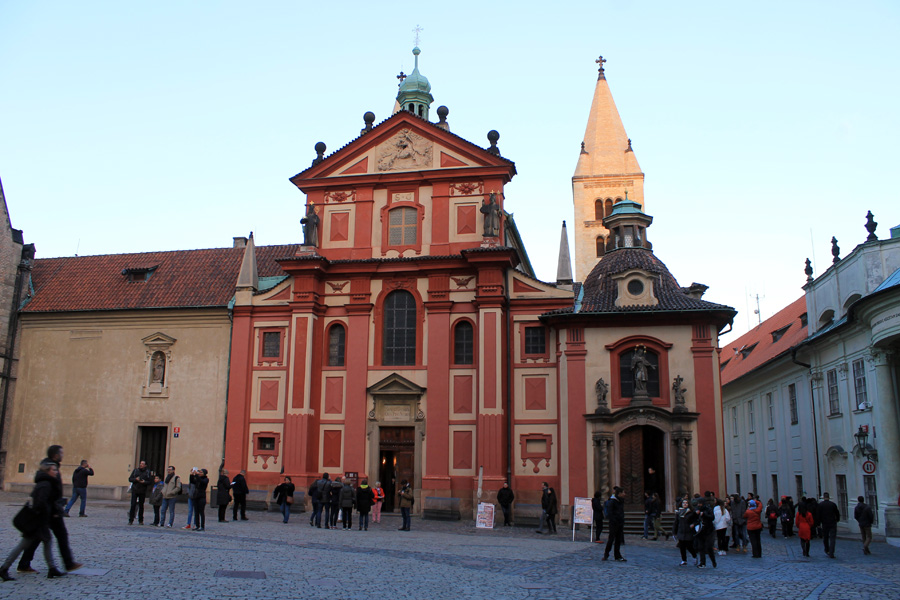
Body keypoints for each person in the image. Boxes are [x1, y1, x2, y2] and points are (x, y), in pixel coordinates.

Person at [17, 445, 80, 574]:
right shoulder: (51, 468)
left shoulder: (49, 465)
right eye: (61, 453)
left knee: (37, 537)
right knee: (59, 536)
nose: (63, 455)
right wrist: (56, 508)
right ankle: (67, 563)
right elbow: (50, 491)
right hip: (50, 510)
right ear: (56, 455)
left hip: (50, 508)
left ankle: (24, 564)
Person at [0, 460, 68, 580]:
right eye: (54, 470)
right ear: (47, 471)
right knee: (24, 545)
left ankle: (52, 569)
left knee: (46, 542)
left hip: (39, 521)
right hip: (38, 522)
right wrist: (48, 514)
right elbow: (40, 503)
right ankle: (4, 568)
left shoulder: (45, 483)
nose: (56, 472)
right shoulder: (45, 484)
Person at [602, 486, 626, 562]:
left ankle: (617, 555)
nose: (624, 494)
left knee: (618, 540)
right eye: (623, 492)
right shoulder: (612, 501)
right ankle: (606, 554)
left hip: (619, 522)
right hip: (614, 523)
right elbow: (610, 513)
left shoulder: (621, 501)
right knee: (611, 539)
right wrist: (614, 520)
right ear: (619, 493)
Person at [695, 492, 717, 568]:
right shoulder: (697, 510)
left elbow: (712, 517)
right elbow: (695, 519)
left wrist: (704, 514)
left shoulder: (708, 509)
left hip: (709, 530)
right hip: (700, 531)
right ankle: (702, 563)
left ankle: (713, 561)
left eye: (700, 503)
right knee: (700, 547)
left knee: (708, 547)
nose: (699, 505)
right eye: (698, 503)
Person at [673, 498, 697, 566]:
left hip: (689, 531)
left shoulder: (692, 512)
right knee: (682, 546)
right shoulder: (679, 513)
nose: (685, 504)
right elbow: (676, 522)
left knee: (689, 546)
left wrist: (693, 524)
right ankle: (684, 560)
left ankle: (694, 556)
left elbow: (696, 520)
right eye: (684, 503)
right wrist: (674, 532)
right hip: (681, 531)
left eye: (686, 503)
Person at [127, 460, 152, 525]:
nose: (141, 465)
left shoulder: (147, 472)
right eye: (140, 463)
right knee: (133, 505)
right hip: (135, 490)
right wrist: (135, 479)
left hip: (142, 491)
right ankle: (131, 520)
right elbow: (130, 479)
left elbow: (149, 482)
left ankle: (140, 520)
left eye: (142, 464)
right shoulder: (135, 471)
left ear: (145, 465)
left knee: (141, 506)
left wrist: (144, 482)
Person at [819, 492, 840, 558]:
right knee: (832, 538)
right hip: (832, 522)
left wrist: (818, 523)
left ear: (823, 497)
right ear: (829, 497)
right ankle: (831, 552)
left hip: (824, 523)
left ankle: (827, 549)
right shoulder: (833, 504)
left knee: (825, 537)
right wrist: (837, 519)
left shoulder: (820, 505)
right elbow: (837, 513)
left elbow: (818, 515)